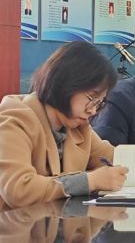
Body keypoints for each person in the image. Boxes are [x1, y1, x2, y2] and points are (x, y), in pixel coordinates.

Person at [0, 42, 128, 209]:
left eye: (100, 103)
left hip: (57, 221)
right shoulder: (14, 120)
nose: (93, 110)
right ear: (64, 83)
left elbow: (115, 159)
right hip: (16, 224)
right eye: (92, 98)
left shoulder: (78, 126)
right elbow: (18, 189)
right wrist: (90, 181)